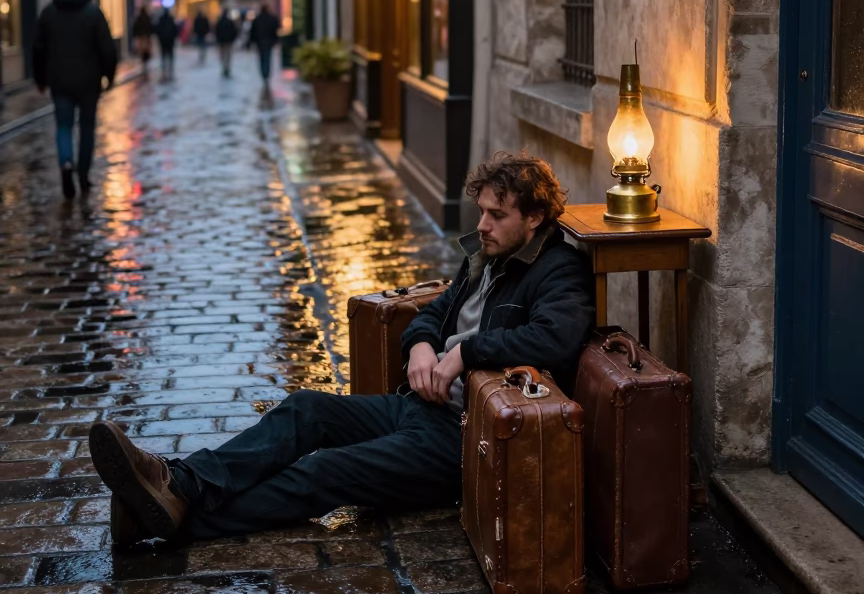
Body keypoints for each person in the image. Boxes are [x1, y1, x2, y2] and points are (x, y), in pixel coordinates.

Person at [87, 152, 594, 545]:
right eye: (481, 211)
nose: (481, 224)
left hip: (465, 440)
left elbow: (555, 339)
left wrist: (467, 353)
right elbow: (435, 314)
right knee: (305, 408)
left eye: (496, 214)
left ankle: (168, 519)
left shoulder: (559, 269)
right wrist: (419, 345)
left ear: (534, 218)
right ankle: (180, 483)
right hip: (421, 407)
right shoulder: (487, 253)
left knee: (326, 470)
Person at [32, 0, 117, 199]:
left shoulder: (49, 12)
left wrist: (40, 78)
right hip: (89, 82)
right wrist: (109, 76)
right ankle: (83, 174)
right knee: (87, 128)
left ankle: (66, 163)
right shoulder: (92, 12)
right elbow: (107, 49)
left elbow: (38, 48)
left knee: (63, 126)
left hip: (59, 81)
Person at [249, 2, 280, 88]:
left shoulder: (258, 19)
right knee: (267, 57)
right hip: (268, 42)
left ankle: (264, 74)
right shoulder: (271, 18)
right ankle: (266, 74)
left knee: (262, 58)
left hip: (261, 42)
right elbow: (276, 29)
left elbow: (252, 32)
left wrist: (252, 41)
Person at [154, 7, 178, 81]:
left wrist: (160, 39)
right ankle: (170, 72)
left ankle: (164, 73)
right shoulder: (171, 20)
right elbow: (175, 31)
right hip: (169, 42)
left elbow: (157, 31)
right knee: (170, 58)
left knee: (164, 58)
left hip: (163, 42)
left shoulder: (161, 20)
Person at [214, 8, 238, 78]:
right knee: (228, 56)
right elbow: (234, 31)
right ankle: (227, 68)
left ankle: (225, 68)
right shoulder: (230, 22)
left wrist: (218, 40)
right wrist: (232, 39)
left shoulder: (220, 22)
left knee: (223, 55)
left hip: (222, 42)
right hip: (228, 42)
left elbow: (216, 32)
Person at [131, 6, 153, 73]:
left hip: (141, 37)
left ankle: (144, 64)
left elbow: (135, 28)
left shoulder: (139, 19)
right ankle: (145, 64)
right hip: (146, 37)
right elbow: (151, 28)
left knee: (142, 51)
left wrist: (135, 36)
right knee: (146, 51)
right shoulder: (147, 18)